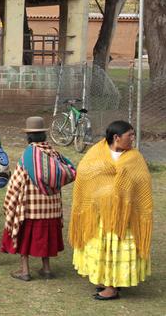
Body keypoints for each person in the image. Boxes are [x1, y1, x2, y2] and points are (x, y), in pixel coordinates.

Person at [71, 120, 152, 300]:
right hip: (99, 215)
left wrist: (122, 195)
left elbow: (142, 182)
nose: (133, 139)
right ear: (116, 137)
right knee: (103, 248)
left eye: (133, 135)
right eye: (129, 135)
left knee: (117, 249)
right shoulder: (96, 153)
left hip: (124, 217)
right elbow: (85, 174)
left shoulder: (135, 158)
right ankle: (105, 280)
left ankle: (112, 288)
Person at [1, 116, 75, 281]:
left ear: (28, 136)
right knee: (45, 239)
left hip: (31, 208)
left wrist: (9, 201)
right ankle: (46, 268)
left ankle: (25, 270)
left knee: (25, 237)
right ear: (44, 135)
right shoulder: (53, 153)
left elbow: (17, 181)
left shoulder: (29, 155)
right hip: (51, 209)